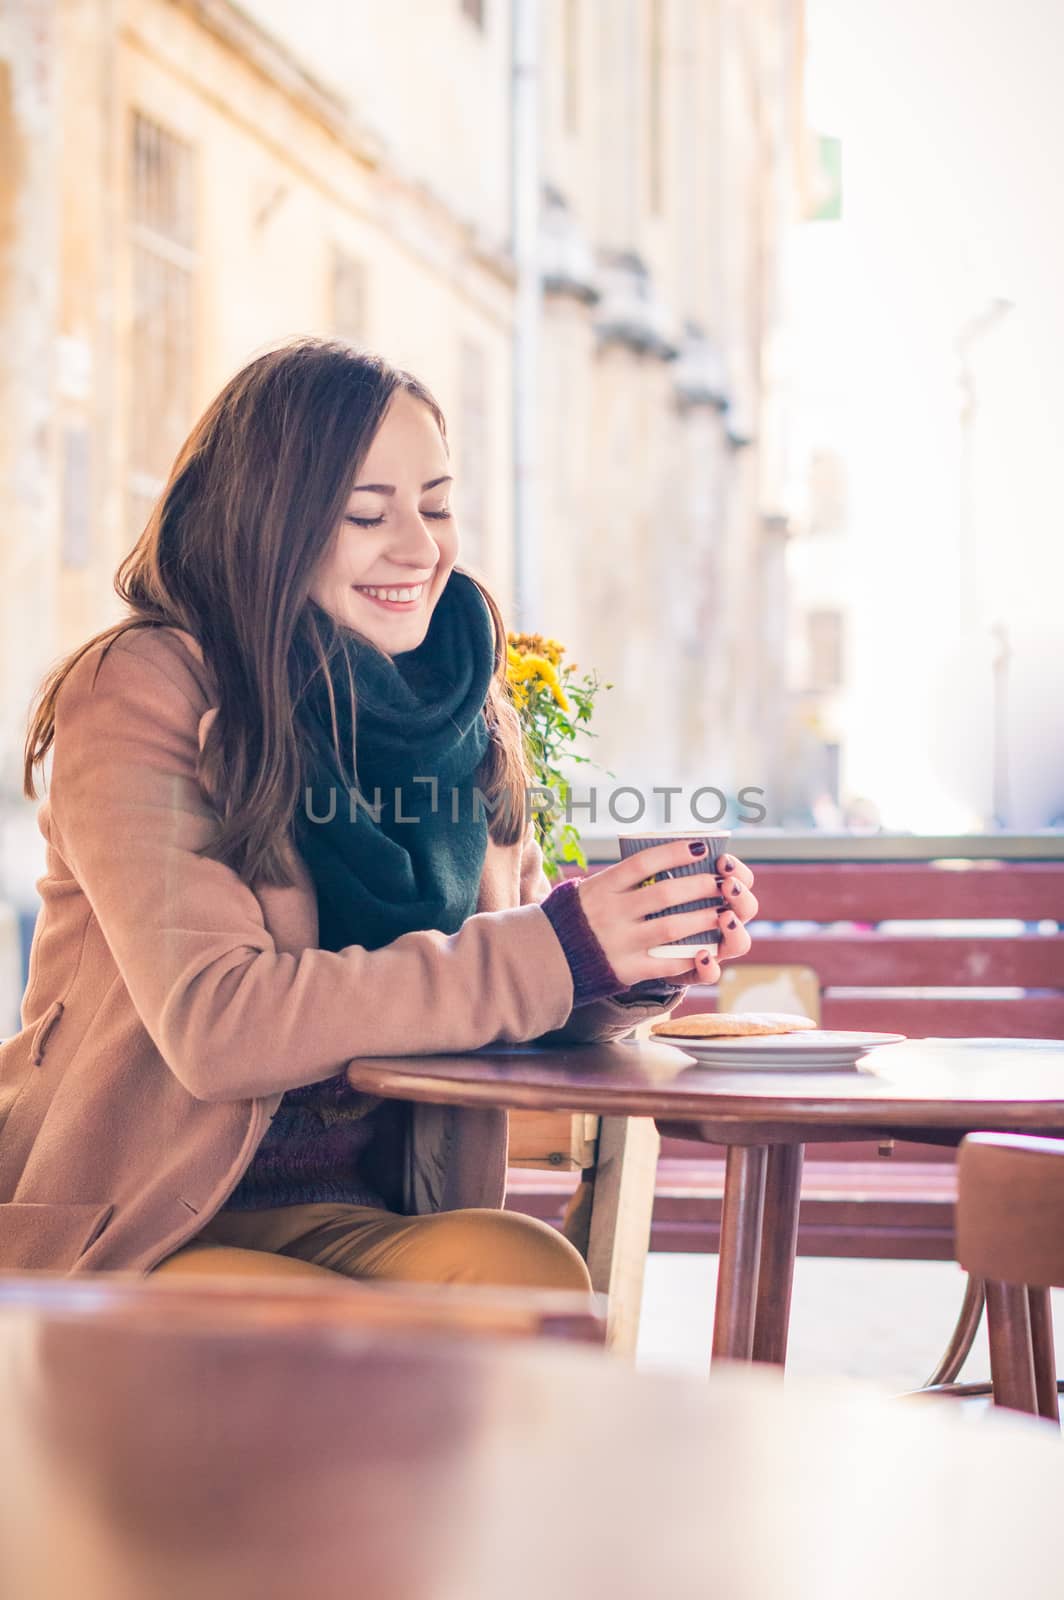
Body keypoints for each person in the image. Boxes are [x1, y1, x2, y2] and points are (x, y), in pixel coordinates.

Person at [0, 338, 758, 1288]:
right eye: (368, 514)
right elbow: (216, 1023)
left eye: (437, 506)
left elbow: (502, 985)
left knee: (528, 1276)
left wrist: (621, 960)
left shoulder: (458, 704)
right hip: (143, 1229)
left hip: (364, 1213)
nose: (422, 547)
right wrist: (553, 948)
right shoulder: (146, 688)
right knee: (354, 1354)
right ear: (265, 523)